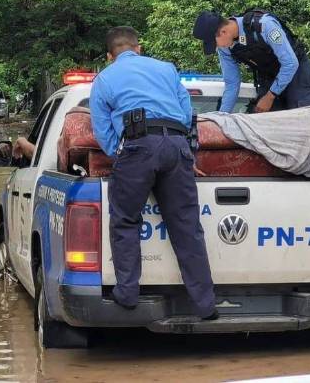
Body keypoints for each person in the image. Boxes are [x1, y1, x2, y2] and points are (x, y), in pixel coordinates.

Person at [89, 26, 217, 319]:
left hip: (137, 148)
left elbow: (103, 130)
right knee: (187, 227)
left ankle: (128, 295)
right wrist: (177, 147)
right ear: (139, 47)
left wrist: (120, 156)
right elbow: (186, 113)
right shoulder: (167, 69)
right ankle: (205, 305)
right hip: (176, 145)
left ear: (110, 56)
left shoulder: (105, 78)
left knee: (125, 220)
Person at [193, 10, 310, 113]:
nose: (217, 47)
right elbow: (232, 83)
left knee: (302, 116)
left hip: (296, 73)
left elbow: (290, 63)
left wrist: (270, 96)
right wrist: (221, 117)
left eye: (215, 43)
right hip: (269, 76)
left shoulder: (264, 25)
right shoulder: (226, 48)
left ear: (223, 32)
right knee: (262, 117)